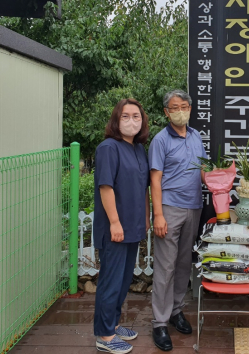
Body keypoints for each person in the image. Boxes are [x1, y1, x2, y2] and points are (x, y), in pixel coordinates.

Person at [148, 89, 207, 352]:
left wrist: (220, 179)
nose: (180, 111)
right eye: (175, 107)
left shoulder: (196, 136)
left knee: (184, 263)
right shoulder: (160, 140)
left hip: (194, 207)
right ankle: (159, 322)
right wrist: (158, 214)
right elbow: (155, 179)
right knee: (165, 266)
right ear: (166, 112)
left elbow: (203, 170)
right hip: (169, 208)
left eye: (184, 106)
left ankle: (176, 310)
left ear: (190, 109)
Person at [93, 99, 151, 354]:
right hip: (115, 228)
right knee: (111, 282)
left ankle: (114, 324)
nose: (131, 121)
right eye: (125, 116)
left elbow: (144, 187)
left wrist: (147, 216)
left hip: (133, 226)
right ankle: (105, 336)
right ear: (116, 120)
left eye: (136, 116)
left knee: (124, 279)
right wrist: (115, 223)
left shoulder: (139, 148)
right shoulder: (108, 148)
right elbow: (105, 187)